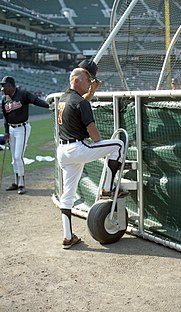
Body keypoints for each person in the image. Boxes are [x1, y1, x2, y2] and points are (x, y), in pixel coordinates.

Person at [57, 61, 126, 249]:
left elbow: (80, 102)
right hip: (77, 149)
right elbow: (95, 138)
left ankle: (67, 236)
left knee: (67, 195)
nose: (90, 82)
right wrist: (101, 143)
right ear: (78, 81)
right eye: (88, 80)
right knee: (118, 145)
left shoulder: (64, 98)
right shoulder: (80, 102)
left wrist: (91, 91)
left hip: (63, 151)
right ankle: (107, 187)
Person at [1, 76, 49, 194]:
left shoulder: (23, 94)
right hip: (11, 129)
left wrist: (49, 105)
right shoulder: (4, 99)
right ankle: (16, 182)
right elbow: (5, 118)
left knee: (18, 156)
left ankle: (21, 183)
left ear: (11, 85)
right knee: (14, 159)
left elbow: (36, 101)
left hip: (22, 128)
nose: (2, 88)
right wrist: (6, 132)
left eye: (4, 85)